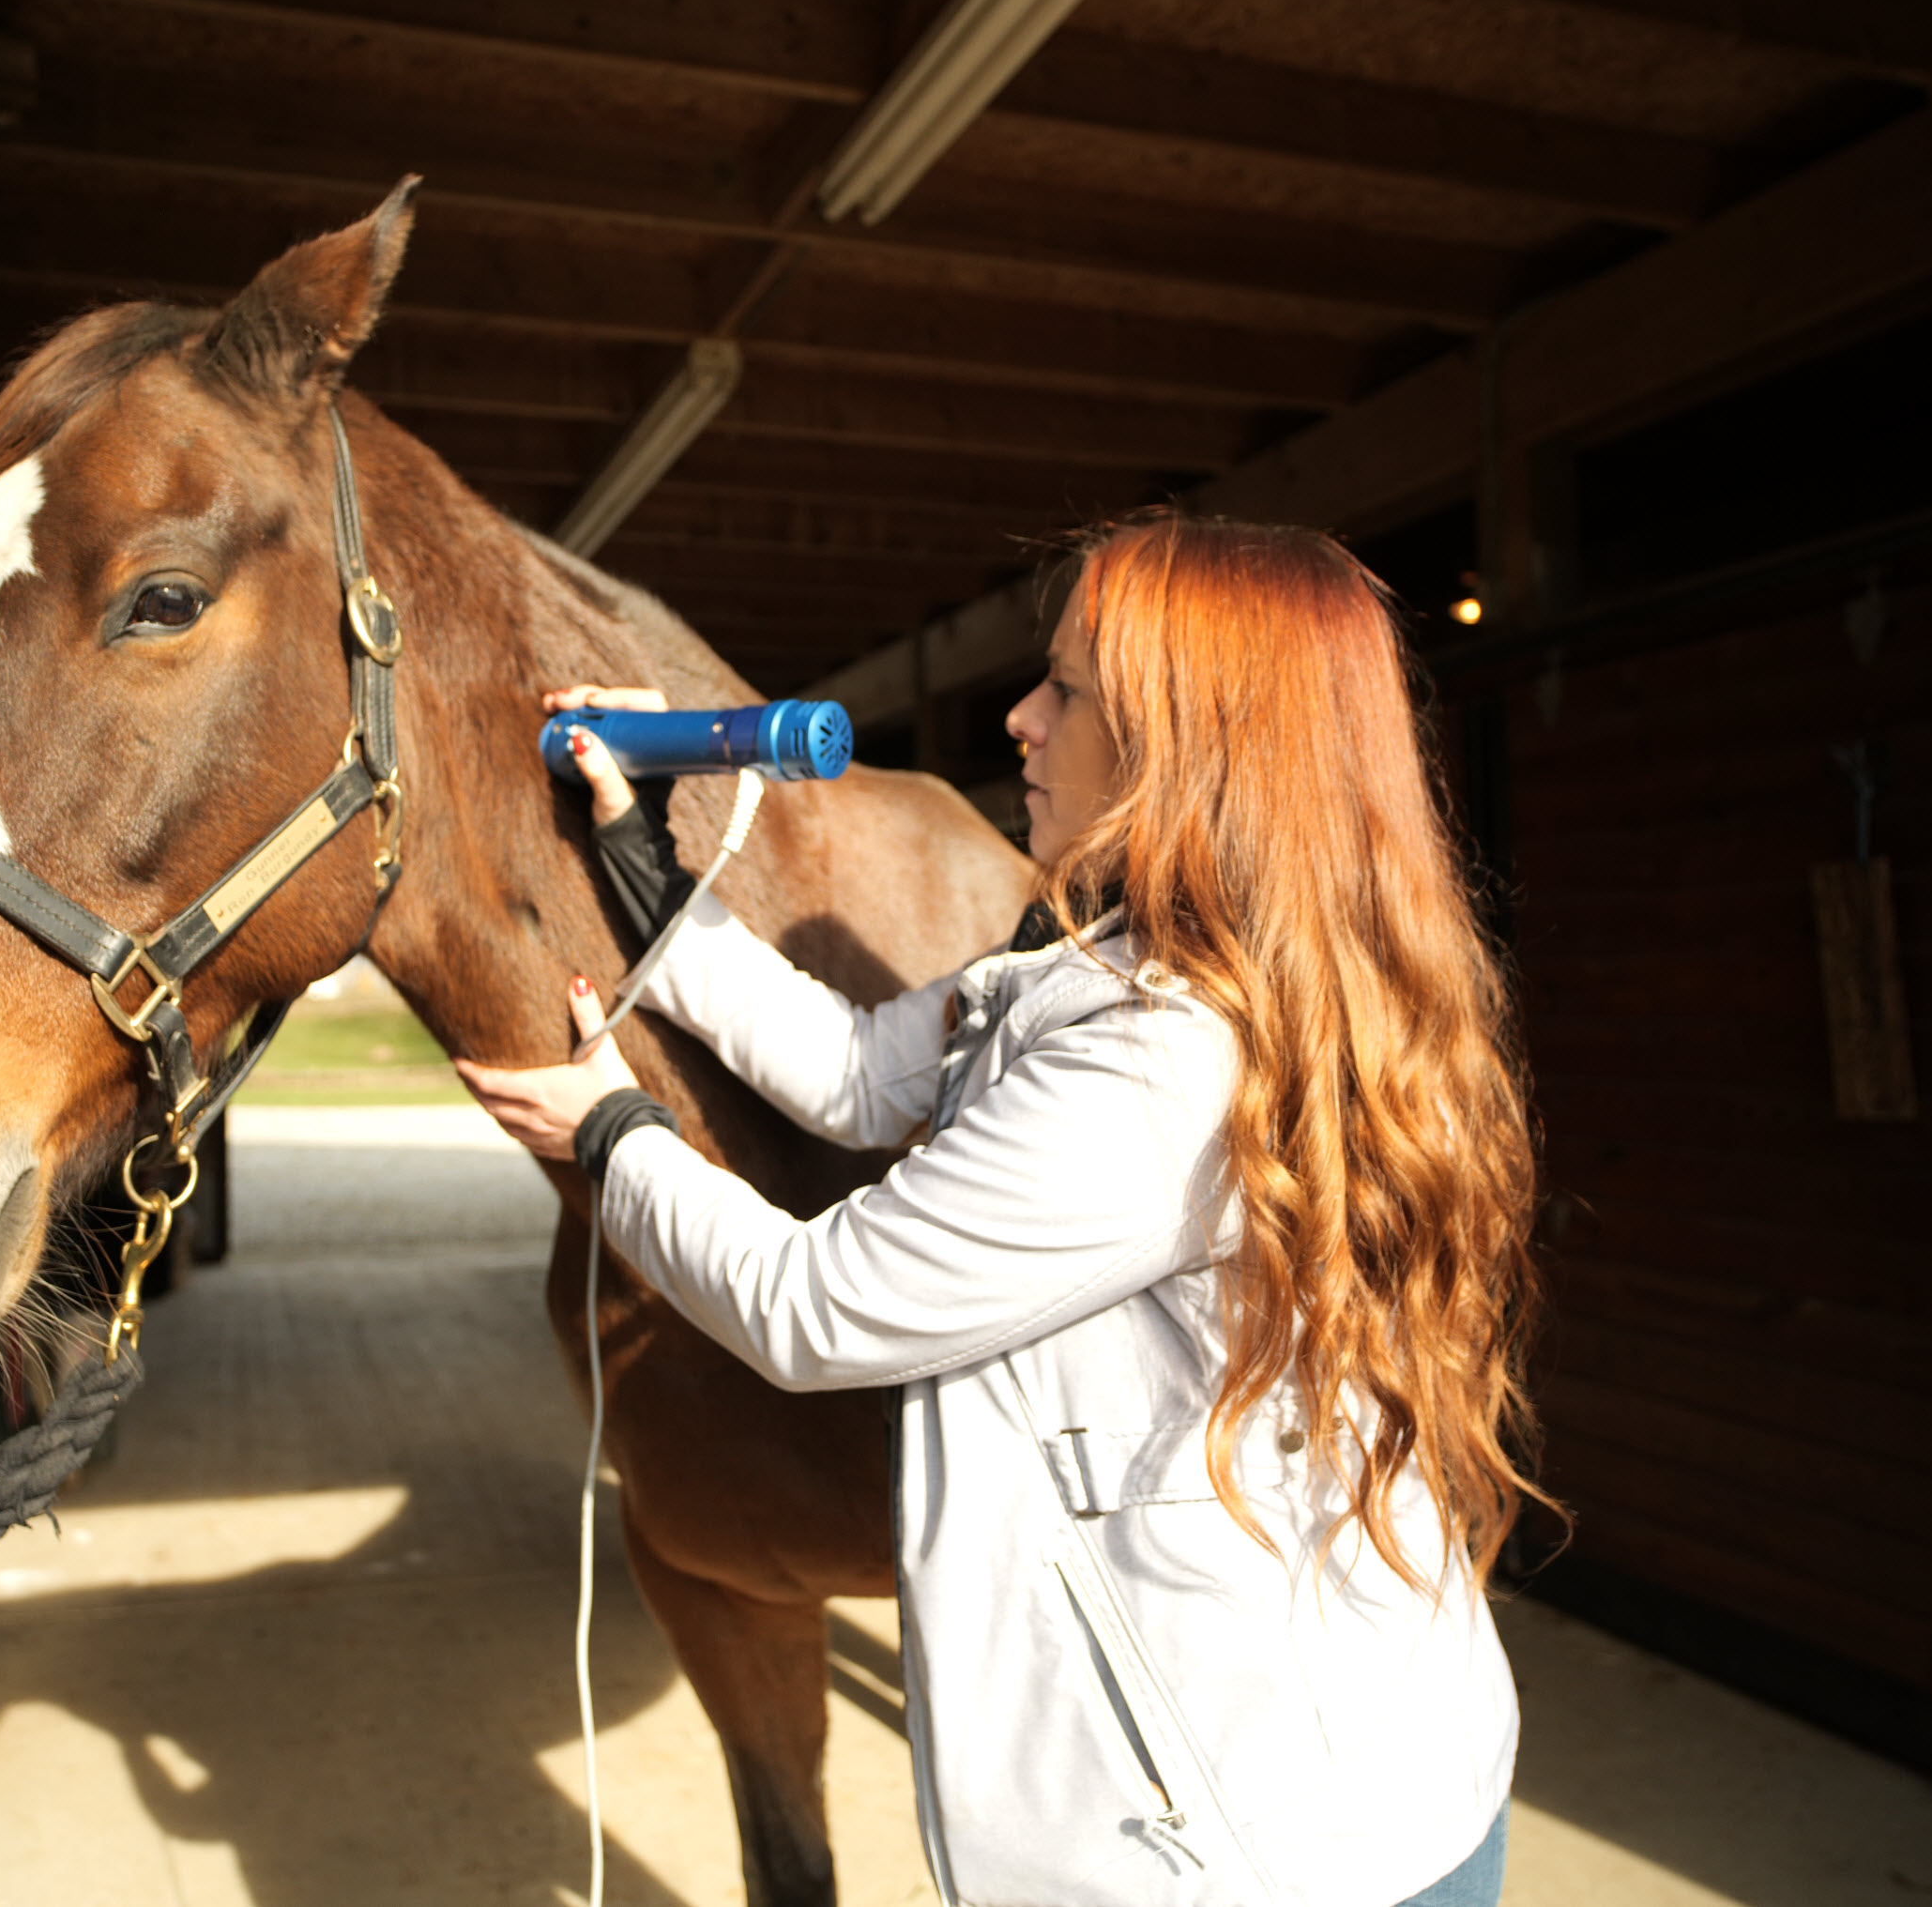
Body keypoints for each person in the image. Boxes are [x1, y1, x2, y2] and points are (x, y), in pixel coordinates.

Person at [453, 514, 1551, 1907]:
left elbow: (818, 1308)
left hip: (1259, 1857)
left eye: (1069, 691)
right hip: (1362, 1788)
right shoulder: (1135, 967)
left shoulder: (1162, 1055)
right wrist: (647, 862)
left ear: (1187, 744)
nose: (1020, 720)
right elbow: (856, 1074)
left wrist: (611, 1136)